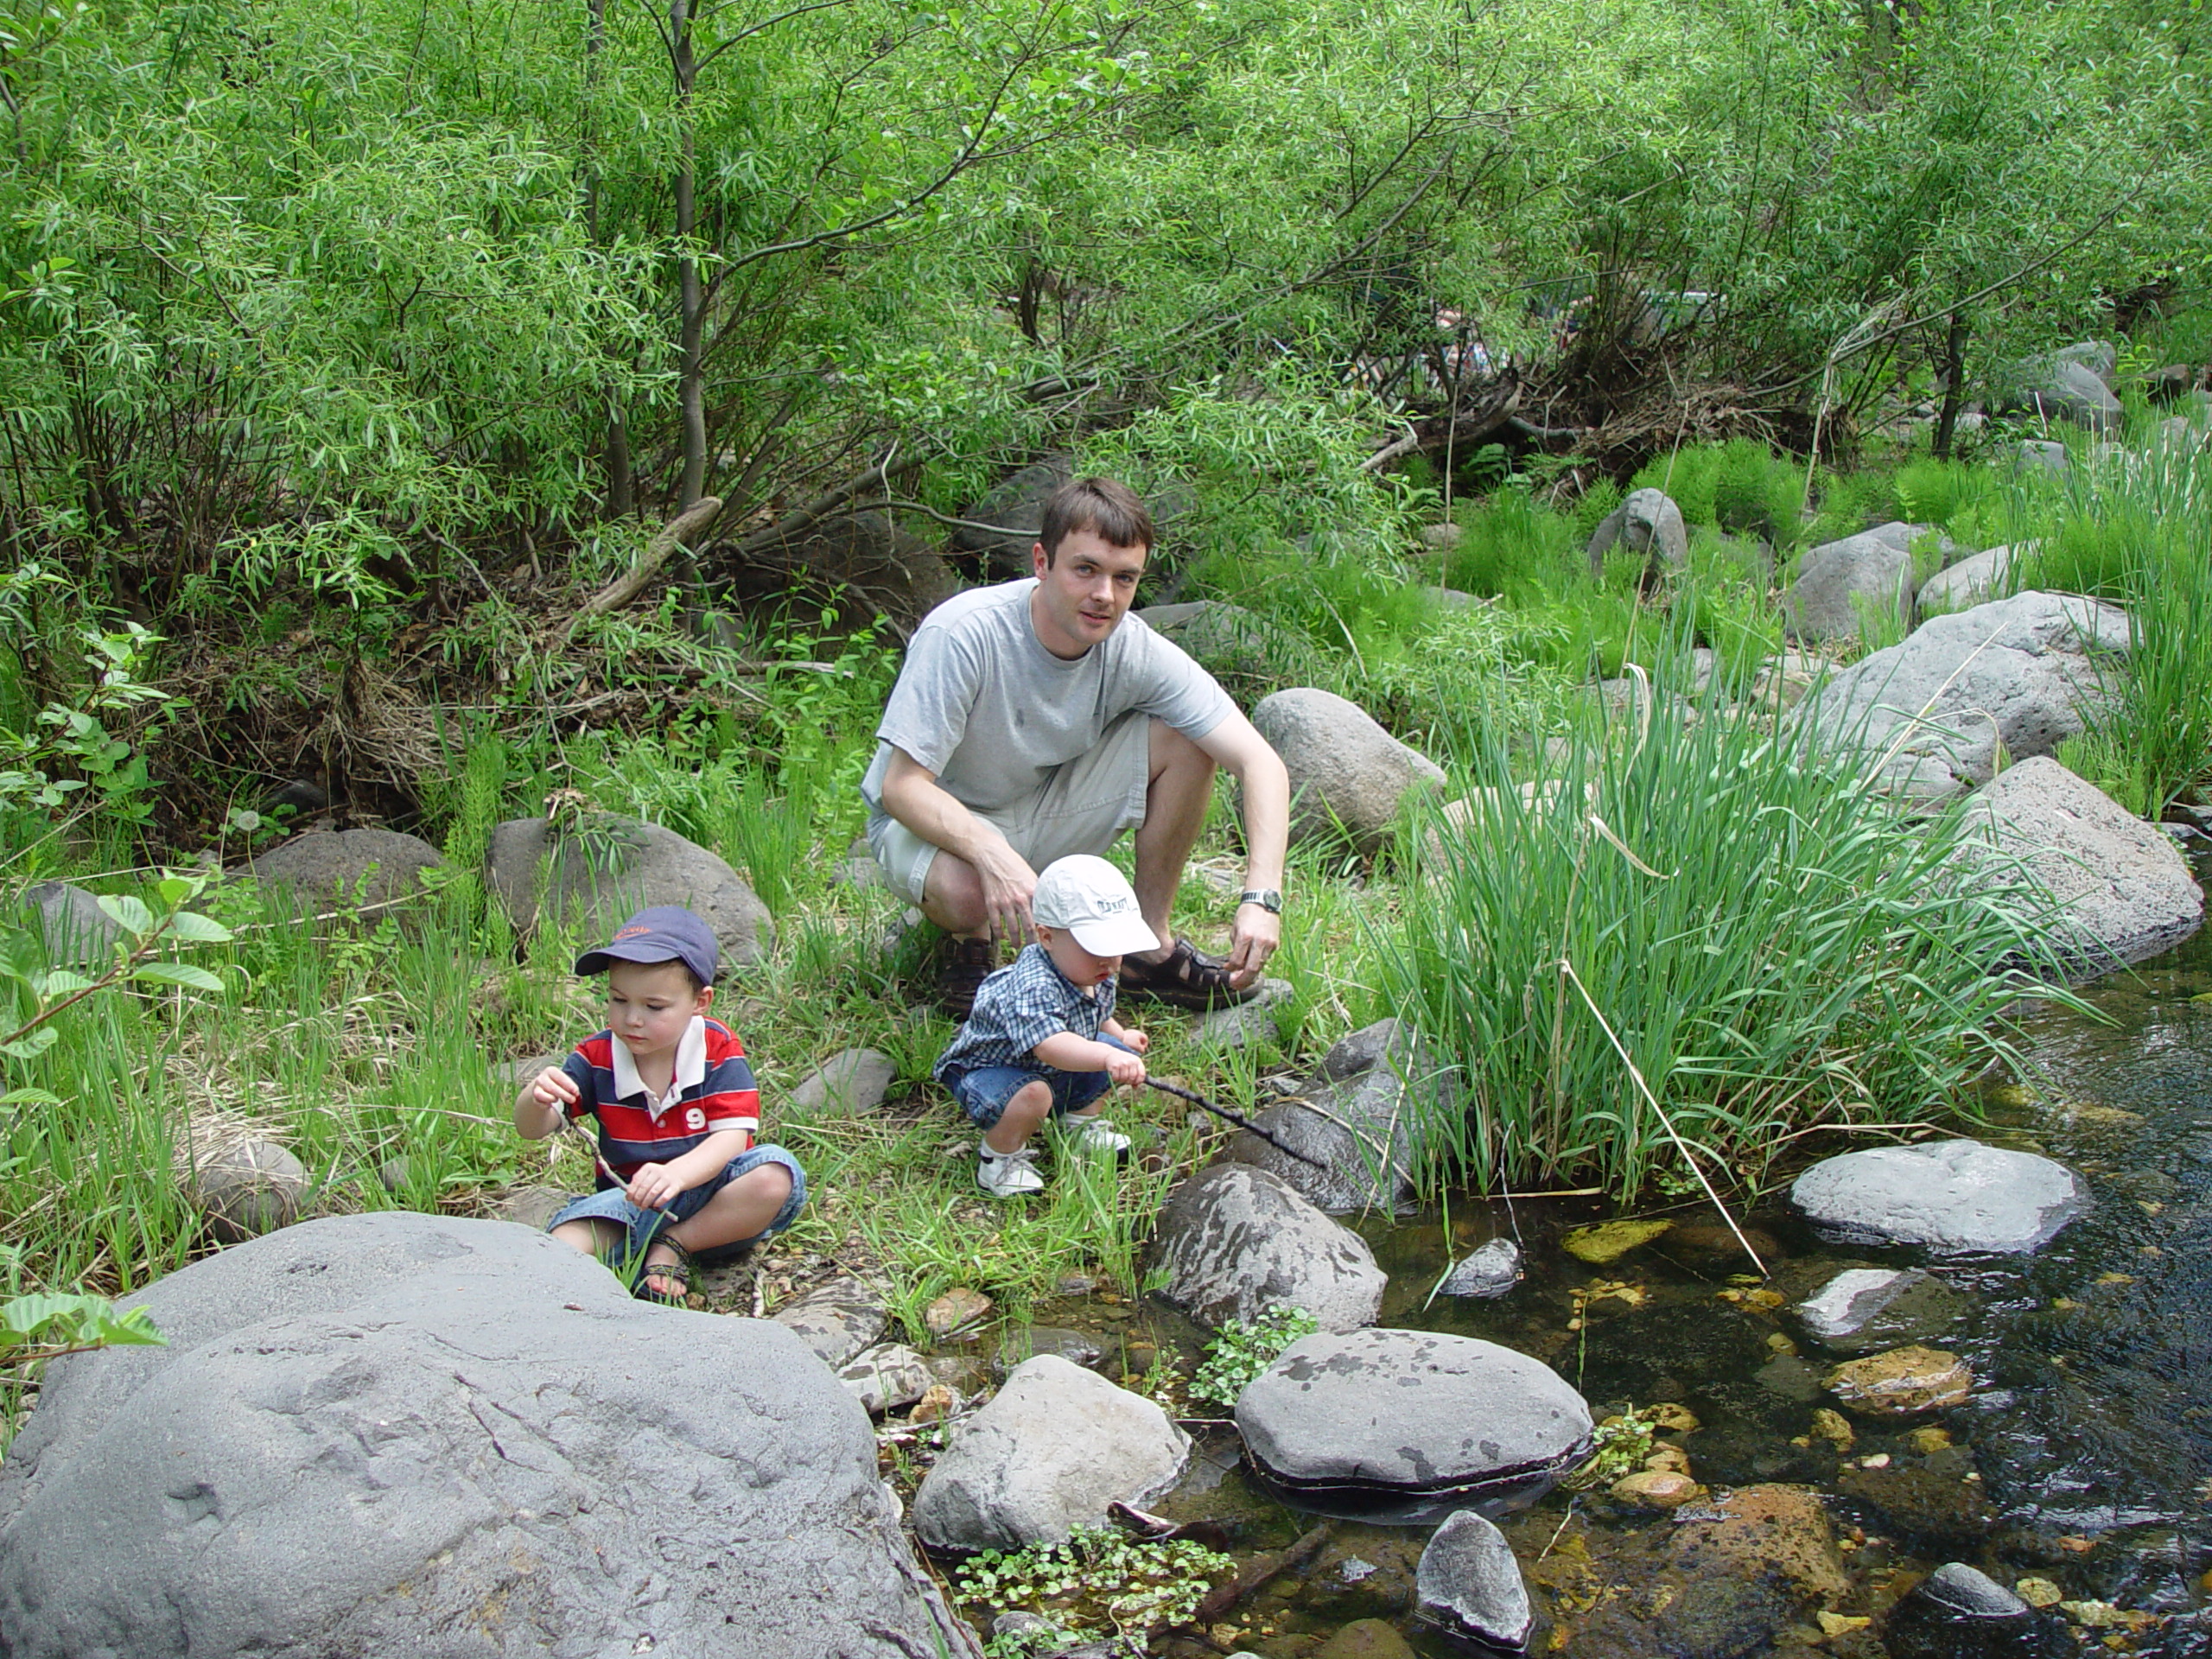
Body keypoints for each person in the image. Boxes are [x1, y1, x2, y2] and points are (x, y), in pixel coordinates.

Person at [862, 475, 1291, 1015]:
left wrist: (1261, 897)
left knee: (1189, 741)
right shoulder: (965, 633)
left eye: (1124, 578)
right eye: (1085, 569)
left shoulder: (1133, 648)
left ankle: (1144, 945)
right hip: (928, 823)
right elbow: (901, 789)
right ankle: (969, 943)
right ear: (1042, 562)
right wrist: (993, 856)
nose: (1104, 596)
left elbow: (1261, 763)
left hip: (1036, 807)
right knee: (969, 890)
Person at [513, 906, 805, 1304]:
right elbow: (535, 1128)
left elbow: (734, 1136)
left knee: (775, 1176)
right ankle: (627, 1264)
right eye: (618, 1000)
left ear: (700, 1001)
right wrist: (535, 1098)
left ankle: (676, 1244)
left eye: (654, 1007)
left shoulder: (716, 1048)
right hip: (634, 1202)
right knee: (562, 1241)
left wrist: (680, 1175)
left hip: (712, 1196)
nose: (632, 1019)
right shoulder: (598, 1056)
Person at [933, 855, 1156, 1198]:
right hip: (992, 1070)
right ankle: (1000, 1159)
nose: (1110, 961)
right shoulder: (1034, 983)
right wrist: (1104, 1055)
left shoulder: (1096, 971)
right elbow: (1050, 1045)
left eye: (1117, 948)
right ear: (1047, 937)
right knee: (1034, 1092)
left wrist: (1118, 1035)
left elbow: (1095, 1014)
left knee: (1112, 1051)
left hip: (1050, 1064)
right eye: (1095, 947)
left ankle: (1080, 1125)